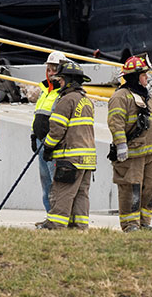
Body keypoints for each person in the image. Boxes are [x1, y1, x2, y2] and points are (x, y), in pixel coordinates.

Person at [107, 55, 152, 232]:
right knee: (130, 189)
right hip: (132, 154)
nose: (147, 78)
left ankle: (144, 222)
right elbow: (115, 121)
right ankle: (130, 225)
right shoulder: (120, 96)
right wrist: (121, 144)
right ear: (134, 76)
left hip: (151, 153)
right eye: (144, 75)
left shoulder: (147, 97)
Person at [38, 61, 96, 230]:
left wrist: (48, 147)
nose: (60, 82)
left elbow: (57, 129)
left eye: (62, 80)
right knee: (81, 194)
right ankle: (79, 227)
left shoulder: (66, 100)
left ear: (70, 80)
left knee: (63, 192)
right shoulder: (86, 101)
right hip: (87, 159)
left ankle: (56, 225)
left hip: (70, 157)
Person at [31, 51, 69, 214]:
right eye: (49, 69)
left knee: (57, 182)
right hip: (41, 143)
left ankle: (58, 217)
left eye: (55, 69)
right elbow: (38, 114)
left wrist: (51, 142)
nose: (51, 73)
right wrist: (34, 135)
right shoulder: (45, 90)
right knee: (46, 182)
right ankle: (50, 215)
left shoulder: (64, 92)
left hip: (54, 145)